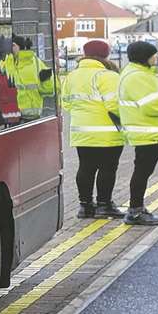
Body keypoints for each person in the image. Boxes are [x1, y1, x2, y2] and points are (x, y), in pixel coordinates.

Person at [115, 40, 158, 225]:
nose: (156, 57)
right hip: (147, 133)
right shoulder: (137, 76)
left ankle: (137, 209)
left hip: (149, 133)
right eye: (153, 54)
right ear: (144, 57)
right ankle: (135, 211)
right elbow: (152, 105)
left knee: (143, 171)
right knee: (142, 172)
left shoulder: (139, 74)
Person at [61, 39, 124, 218]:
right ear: (105, 55)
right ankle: (104, 205)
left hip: (81, 132)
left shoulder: (72, 76)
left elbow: (66, 103)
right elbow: (115, 104)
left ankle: (85, 206)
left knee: (86, 168)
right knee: (107, 168)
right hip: (107, 132)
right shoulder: (107, 76)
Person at [1, 35, 56, 120]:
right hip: (11, 116)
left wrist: (46, 80)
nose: (10, 47)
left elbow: (49, 91)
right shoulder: (7, 62)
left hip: (31, 116)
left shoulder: (35, 63)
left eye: (13, 45)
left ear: (20, 46)